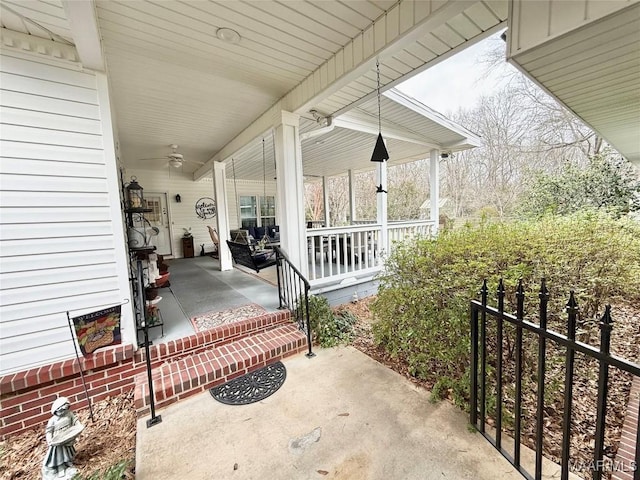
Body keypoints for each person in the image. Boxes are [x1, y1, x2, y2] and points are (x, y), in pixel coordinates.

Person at [42, 397, 84, 479]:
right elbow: (49, 431)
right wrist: (50, 440)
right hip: (58, 440)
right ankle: (60, 468)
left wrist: (79, 426)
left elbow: (75, 420)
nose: (62, 412)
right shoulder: (53, 420)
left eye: (65, 410)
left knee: (67, 451)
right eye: (60, 411)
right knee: (59, 454)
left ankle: (68, 462)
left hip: (67, 436)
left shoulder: (69, 414)